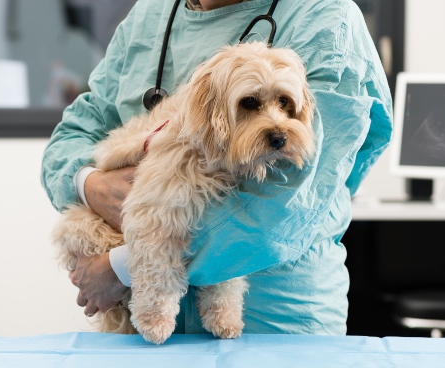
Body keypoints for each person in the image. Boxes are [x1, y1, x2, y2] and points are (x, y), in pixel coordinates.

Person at [41, 0, 392, 335]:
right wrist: (90, 184)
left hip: (270, 321)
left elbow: (286, 202)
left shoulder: (324, 17)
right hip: (141, 331)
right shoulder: (148, 16)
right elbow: (73, 134)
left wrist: (123, 267)